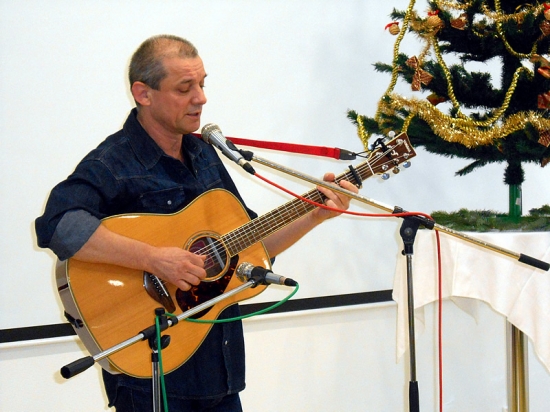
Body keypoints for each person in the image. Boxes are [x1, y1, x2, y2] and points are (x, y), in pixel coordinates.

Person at [35, 34, 358, 412]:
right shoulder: (113, 163)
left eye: (202, 84)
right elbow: (58, 225)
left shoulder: (204, 153)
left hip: (220, 372)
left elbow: (249, 248)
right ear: (143, 93)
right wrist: (154, 259)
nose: (201, 98)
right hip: (153, 380)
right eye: (184, 88)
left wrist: (315, 215)